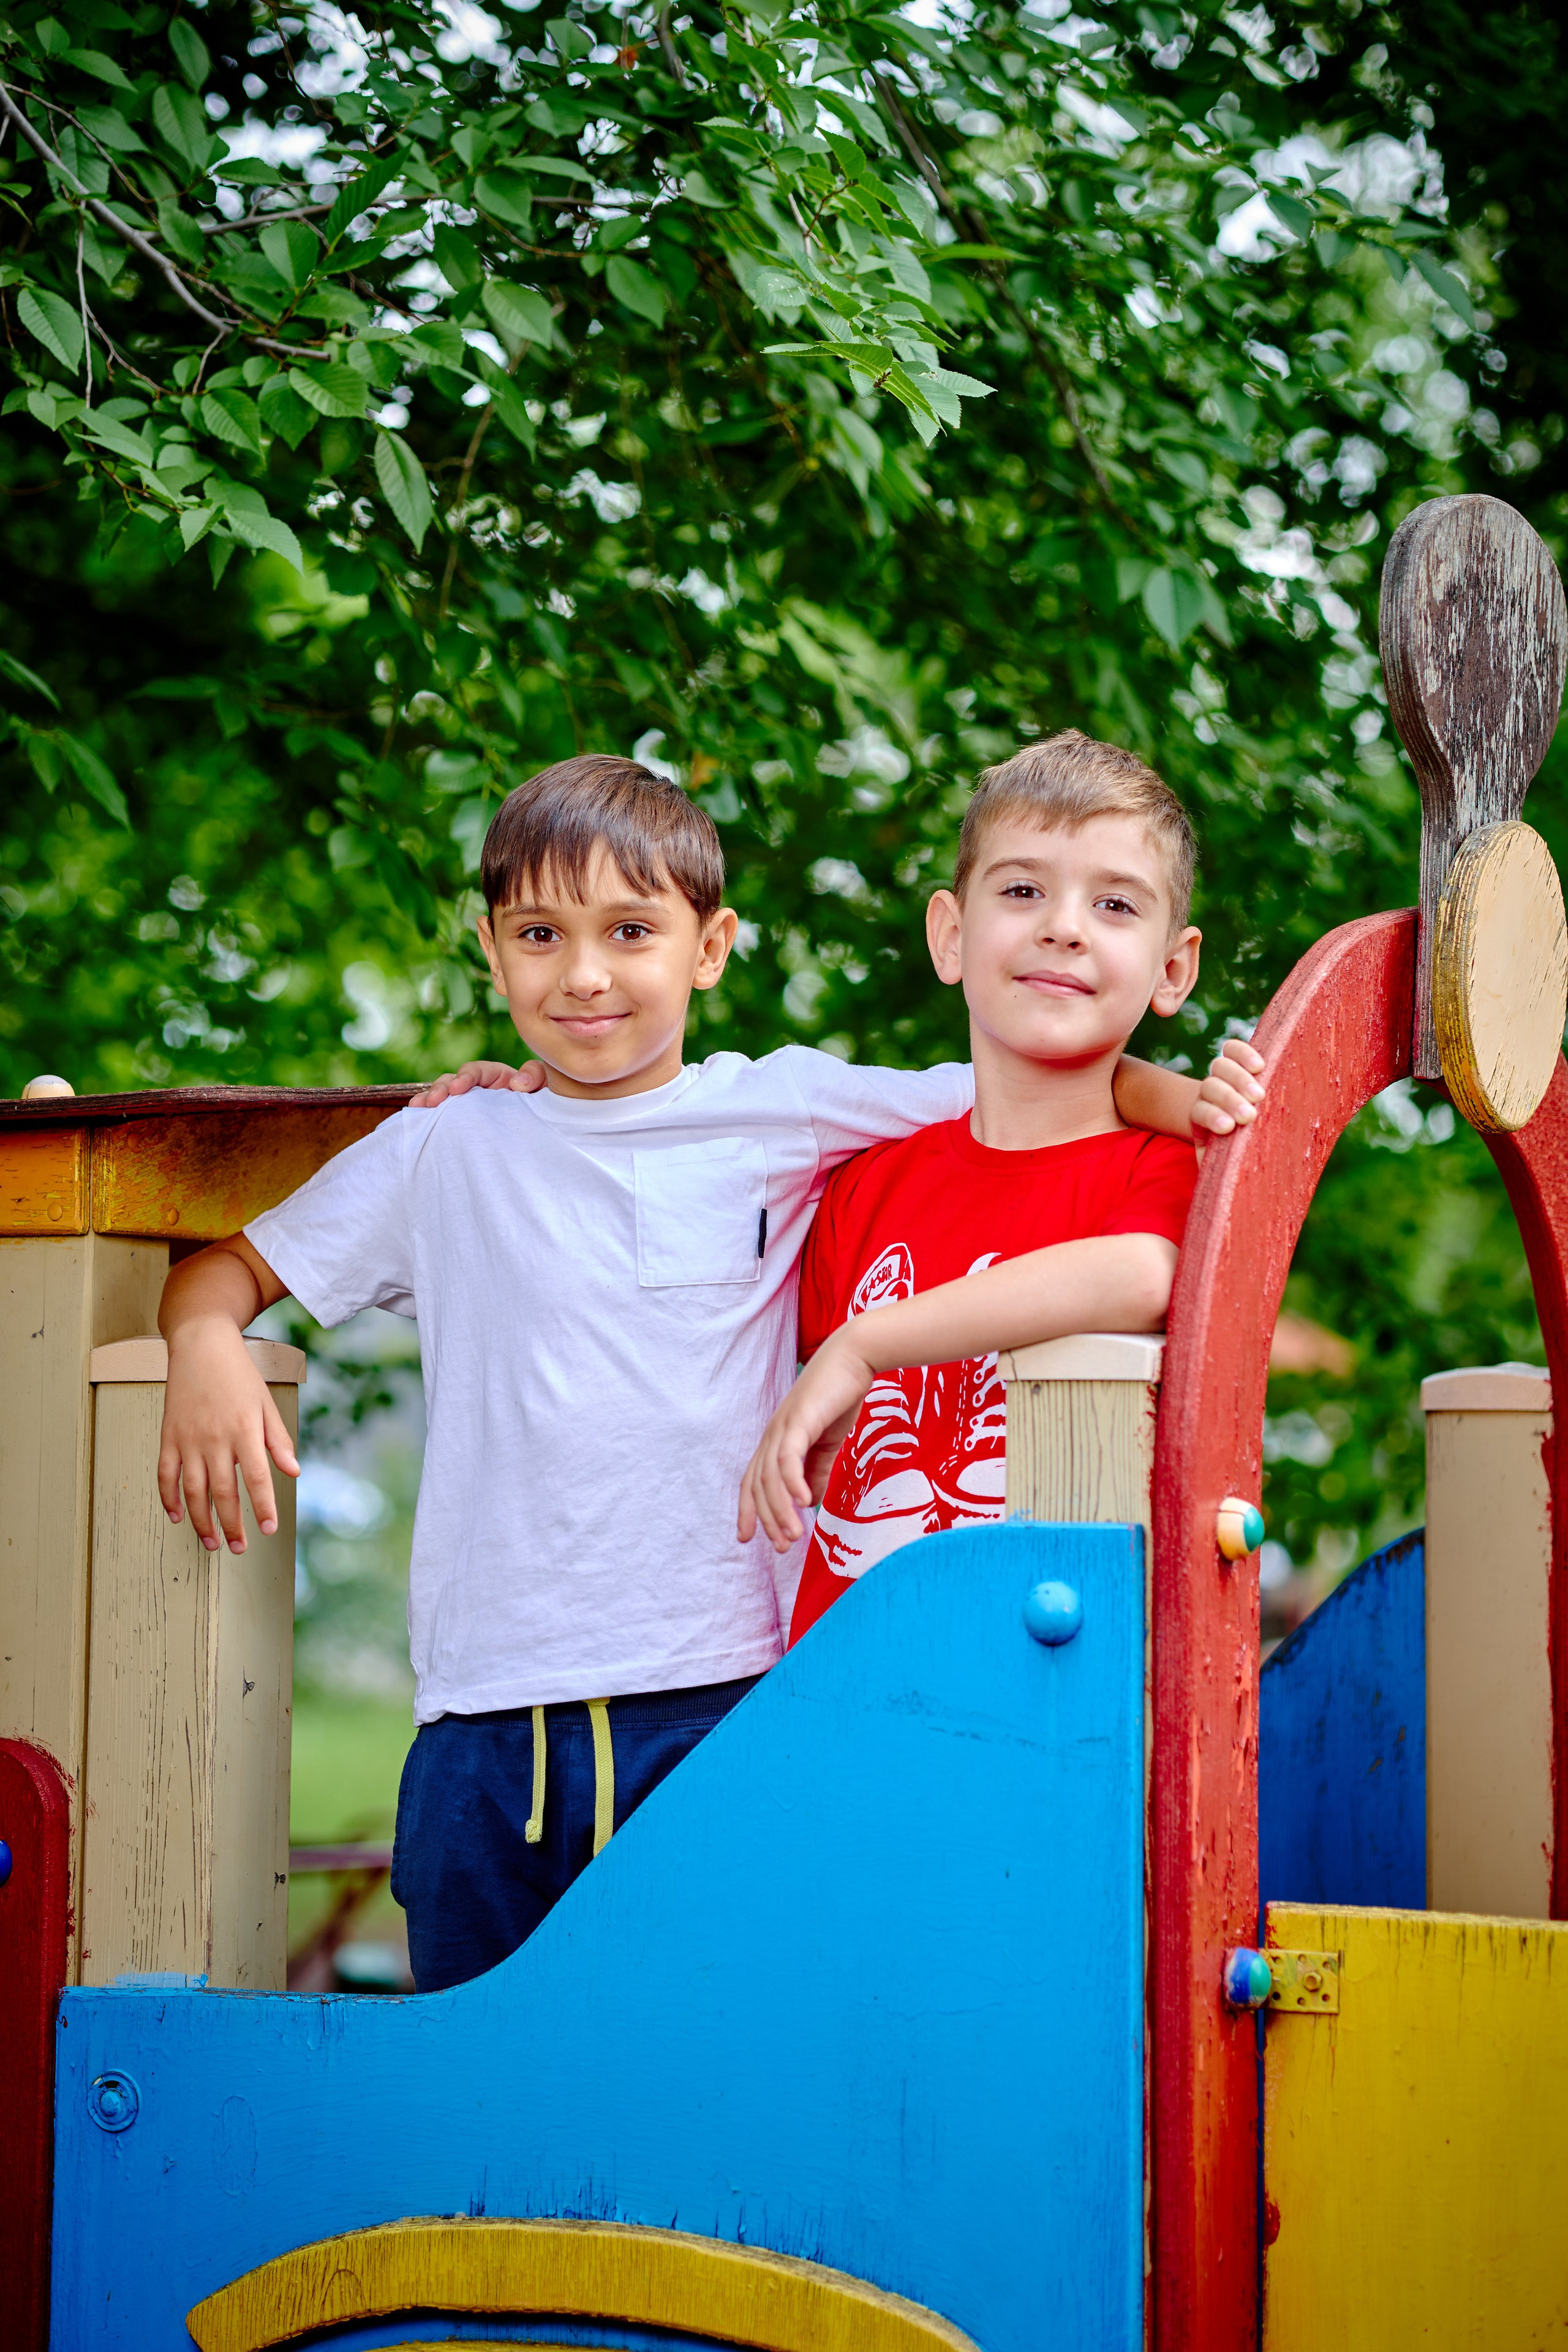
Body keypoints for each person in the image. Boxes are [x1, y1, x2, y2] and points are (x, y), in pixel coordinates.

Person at [155, 752, 1256, 1994]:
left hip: (724, 1698)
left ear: (710, 946)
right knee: (474, 2066)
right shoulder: (447, 1147)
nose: (585, 973)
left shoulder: (786, 1115)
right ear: (492, 952)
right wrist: (204, 1343)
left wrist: (1197, 1104)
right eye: (540, 934)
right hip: (485, 1715)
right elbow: (223, 1276)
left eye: (630, 930)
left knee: (717, 2050)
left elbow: (1062, 1072)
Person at [737, 731, 1262, 1637]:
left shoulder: (1169, 1166)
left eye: (1115, 904)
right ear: (950, 935)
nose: (1064, 926)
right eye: (1023, 891)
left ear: (1173, 969)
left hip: (1055, 1678)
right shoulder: (864, 1187)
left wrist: (866, 1345)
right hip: (848, 1674)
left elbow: (1146, 1274)